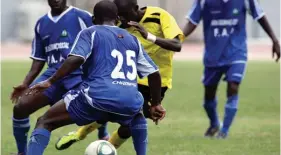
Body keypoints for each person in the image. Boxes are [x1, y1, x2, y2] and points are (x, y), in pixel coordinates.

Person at [25, 1, 165, 155]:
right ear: (117, 19)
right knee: (137, 115)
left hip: (95, 98)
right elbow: (154, 73)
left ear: (93, 19)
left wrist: (50, 81)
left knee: (44, 122)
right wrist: (156, 104)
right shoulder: (132, 40)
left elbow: (75, 59)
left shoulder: (90, 32)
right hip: (127, 100)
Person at [55, 0, 185, 150]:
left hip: (156, 81)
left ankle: (104, 145)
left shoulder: (159, 16)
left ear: (136, 8)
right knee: (117, 111)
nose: (121, 20)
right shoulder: (119, 28)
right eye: (119, 16)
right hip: (128, 80)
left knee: (127, 125)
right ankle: (85, 137)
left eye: (124, 15)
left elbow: (177, 45)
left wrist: (148, 36)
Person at [10, 0, 107, 154]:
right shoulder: (41, 23)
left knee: (97, 104)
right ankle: (22, 152)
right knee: (21, 107)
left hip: (79, 74)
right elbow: (39, 59)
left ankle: (103, 136)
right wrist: (25, 83)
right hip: (52, 76)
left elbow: (103, 40)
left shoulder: (83, 17)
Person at [182, 0, 280, 138]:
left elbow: (260, 16)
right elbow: (192, 22)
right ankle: (215, 123)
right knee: (209, 96)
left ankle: (224, 131)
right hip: (213, 55)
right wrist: (177, 39)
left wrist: (275, 40)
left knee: (233, 86)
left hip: (236, 52)